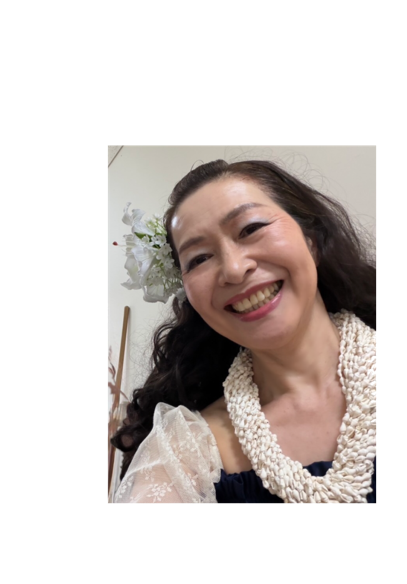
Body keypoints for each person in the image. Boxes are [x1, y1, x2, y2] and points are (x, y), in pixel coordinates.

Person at [112, 159, 377, 504]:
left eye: (250, 228)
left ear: (312, 241)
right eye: (199, 258)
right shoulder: (183, 452)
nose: (234, 269)